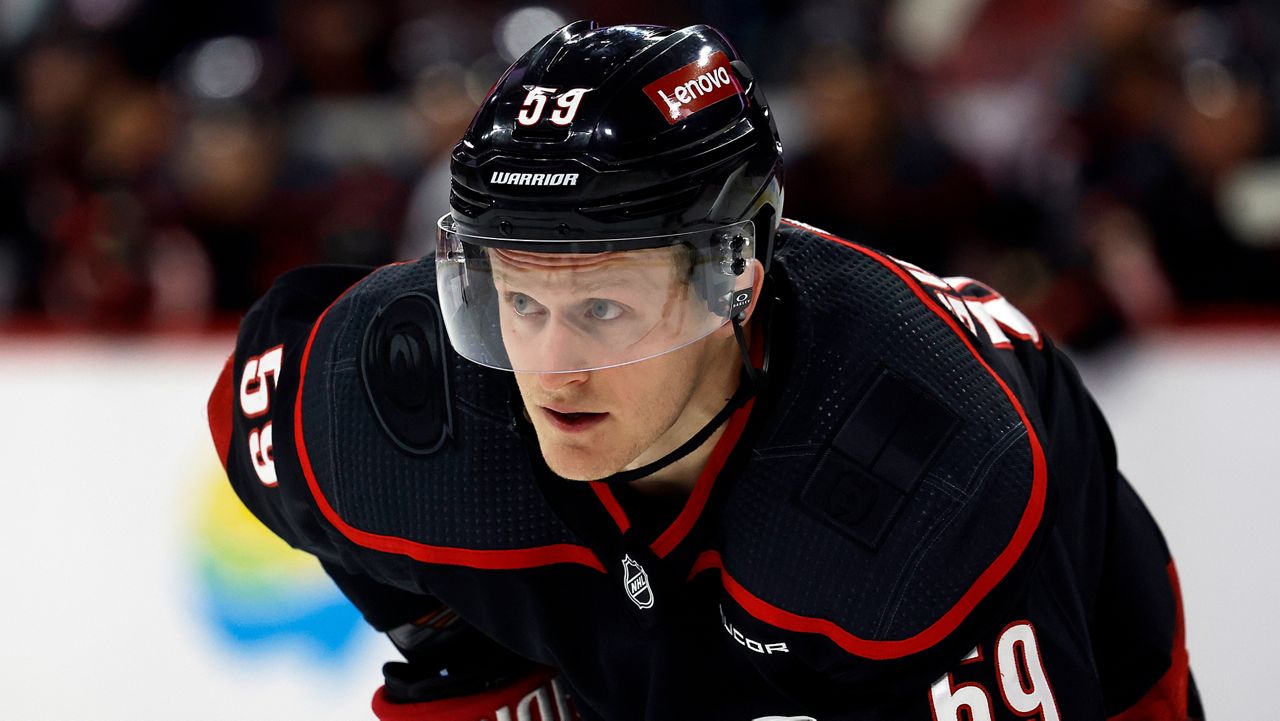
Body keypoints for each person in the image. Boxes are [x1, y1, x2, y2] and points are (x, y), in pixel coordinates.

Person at [207, 21, 1203, 721]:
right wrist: (461, 650)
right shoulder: (397, 389)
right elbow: (256, 409)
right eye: (515, 300)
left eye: (603, 306)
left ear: (735, 273)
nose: (550, 367)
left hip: (1037, 601)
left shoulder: (925, 471)